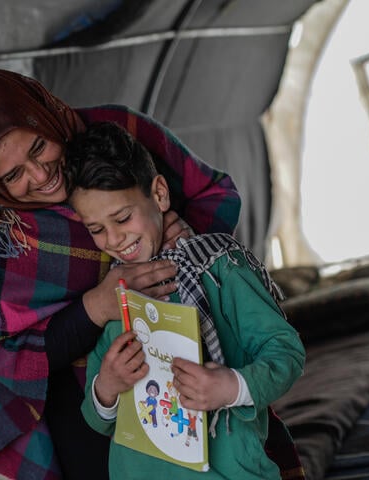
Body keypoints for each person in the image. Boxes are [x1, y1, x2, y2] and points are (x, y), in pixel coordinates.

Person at [0, 68, 302, 480]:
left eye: (39, 147)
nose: (40, 175)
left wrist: (182, 243)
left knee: (227, 452)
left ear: (45, 116)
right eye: (13, 175)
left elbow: (211, 192)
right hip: (86, 393)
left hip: (193, 354)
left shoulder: (120, 133)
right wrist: (95, 307)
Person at [63, 121, 305, 479]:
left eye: (123, 217)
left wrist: (231, 387)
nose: (113, 239)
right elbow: (97, 419)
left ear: (159, 194)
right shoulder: (118, 293)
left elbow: (287, 353)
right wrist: (107, 387)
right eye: (97, 229)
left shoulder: (220, 268)